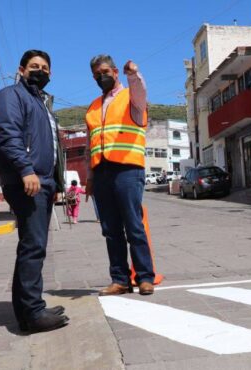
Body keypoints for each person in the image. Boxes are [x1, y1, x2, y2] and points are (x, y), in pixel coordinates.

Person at [0, 50, 68, 333]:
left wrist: (57, 185)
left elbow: (51, 147)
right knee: (33, 246)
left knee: (32, 245)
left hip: (42, 182)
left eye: (45, 67)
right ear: (22, 70)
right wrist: (26, 170)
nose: (41, 71)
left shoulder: (41, 103)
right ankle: (32, 314)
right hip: (27, 180)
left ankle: (28, 309)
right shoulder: (11, 96)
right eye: (34, 66)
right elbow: (8, 135)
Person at [84, 54, 155, 296]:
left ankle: (144, 277)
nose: (101, 77)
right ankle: (120, 279)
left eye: (105, 72)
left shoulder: (132, 97)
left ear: (115, 72)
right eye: (96, 75)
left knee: (133, 225)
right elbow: (89, 145)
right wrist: (90, 178)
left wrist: (133, 74)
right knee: (110, 229)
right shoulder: (93, 108)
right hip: (102, 171)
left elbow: (140, 90)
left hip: (127, 169)